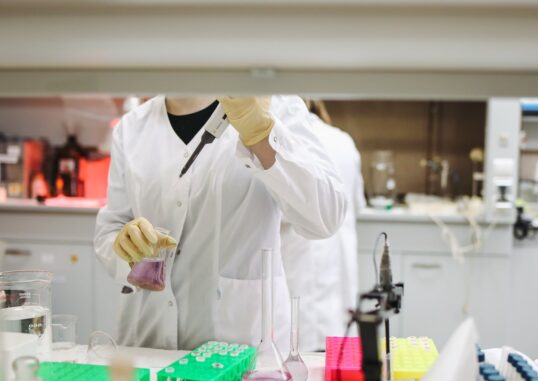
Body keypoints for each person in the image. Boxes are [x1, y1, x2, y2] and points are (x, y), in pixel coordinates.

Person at [94, 96, 347, 351]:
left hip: (240, 349)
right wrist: (124, 246)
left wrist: (262, 135)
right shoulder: (132, 128)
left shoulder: (276, 107)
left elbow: (325, 217)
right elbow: (111, 228)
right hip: (147, 343)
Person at [281, 100, 366, 351]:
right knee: (338, 375)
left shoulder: (283, 140)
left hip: (297, 289)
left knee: (303, 371)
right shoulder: (343, 141)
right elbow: (356, 204)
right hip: (340, 290)